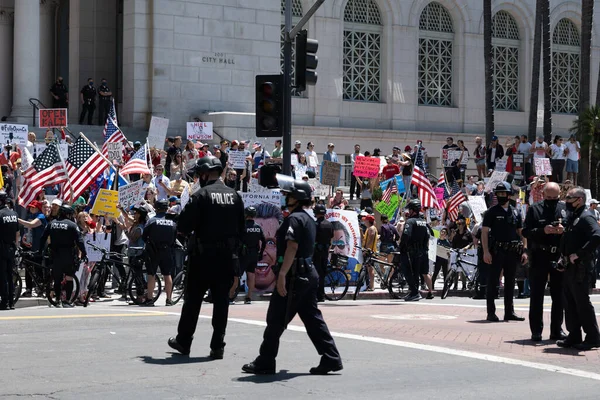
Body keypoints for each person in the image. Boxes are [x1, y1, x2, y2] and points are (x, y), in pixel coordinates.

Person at [242, 174, 342, 375]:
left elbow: (292, 247)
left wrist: (281, 276)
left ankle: (266, 360)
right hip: (307, 274)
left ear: (297, 197)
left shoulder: (294, 219)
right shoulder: (307, 218)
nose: (284, 196)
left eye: (288, 194)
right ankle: (331, 358)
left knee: (276, 318)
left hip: (294, 276)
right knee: (313, 319)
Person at [168, 156, 245, 359]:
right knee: (221, 303)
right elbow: (242, 231)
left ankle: (184, 341)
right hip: (227, 258)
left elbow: (183, 227)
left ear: (204, 174)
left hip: (203, 257)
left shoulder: (200, 195)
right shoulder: (235, 196)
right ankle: (217, 345)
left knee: (192, 301)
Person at [522, 182, 566, 342]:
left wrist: (563, 230)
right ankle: (536, 331)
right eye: (549, 198)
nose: (552, 200)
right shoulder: (535, 209)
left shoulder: (564, 208)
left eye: (555, 198)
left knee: (559, 296)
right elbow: (525, 231)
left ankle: (556, 330)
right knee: (536, 295)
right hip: (539, 255)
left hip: (558, 256)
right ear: (543, 195)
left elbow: (572, 230)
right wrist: (542, 230)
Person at [557, 187, 600, 350]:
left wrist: (580, 254)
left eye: (569, 198)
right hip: (570, 266)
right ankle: (574, 336)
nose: (566, 201)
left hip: (580, 267)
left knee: (582, 303)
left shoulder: (586, 216)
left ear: (579, 200)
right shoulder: (573, 216)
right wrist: (563, 258)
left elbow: (597, 235)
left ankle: (593, 337)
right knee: (570, 303)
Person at [481, 182, 528, 322]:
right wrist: (485, 252)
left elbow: (521, 232)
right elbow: (484, 232)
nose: (501, 196)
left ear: (509, 195)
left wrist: (525, 250)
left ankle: (509, 312)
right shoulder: (491, 212)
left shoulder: (515, 211)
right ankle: (491, 312)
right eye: (499, 193)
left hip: (512, 252)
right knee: (493, 282)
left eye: (503, 193)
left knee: (510, 282)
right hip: (496, 251)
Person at [39, 205, 87, 308]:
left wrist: (39, 251)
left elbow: (43, 238)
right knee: (69, 277)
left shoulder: (51, 224)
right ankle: (67, 301)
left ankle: (57, 300)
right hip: (68, 255)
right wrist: (84, 252)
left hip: (55, 255)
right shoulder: (72, 225)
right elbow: (79, 241)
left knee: (57, 279)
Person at [142, 200, 177, 306]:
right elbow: (174, 238)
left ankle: (150, 299)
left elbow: (144, 237)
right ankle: (169, 299)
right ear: (167, 209)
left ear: (156, 208)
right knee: (167, 274)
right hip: (167, 251)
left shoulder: (152, 221)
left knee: (151, 274)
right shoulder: (173, 222)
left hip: (153, 251)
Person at [398, 199, 431, 301]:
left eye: (410, 210)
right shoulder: (423, 222)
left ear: (413, 210)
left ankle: (414, 292)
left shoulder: (410, 221)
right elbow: (428, 236)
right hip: (422, 251)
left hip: (412, 251)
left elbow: (406, 235)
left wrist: (402, 247)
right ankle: (414, 293)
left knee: (407, 271)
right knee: (416, 273)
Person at [238, 206, 266, 305]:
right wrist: (261, 253)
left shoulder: (242, 226)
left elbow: (238, 240)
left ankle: (230, 296)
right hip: (254, 254)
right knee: (251, 275)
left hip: (243, 254)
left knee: (236, 275)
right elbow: (264, 240)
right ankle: (249, 297)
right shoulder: (258, 227)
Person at [0, 191, 19, 310]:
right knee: (10, 275)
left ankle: (5, 302)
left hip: (1, 248)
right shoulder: (14, 214)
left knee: (2, 277)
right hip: (11, 248)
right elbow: (17, 233)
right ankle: (11, 302)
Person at [313, 204, 333, 302]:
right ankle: (321, 295)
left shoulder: (315, 225)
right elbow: (331, 238)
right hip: (325, 251)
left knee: (316, 274)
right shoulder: (329, 224)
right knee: (322, 274)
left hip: (316, 252)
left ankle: (318, 295)